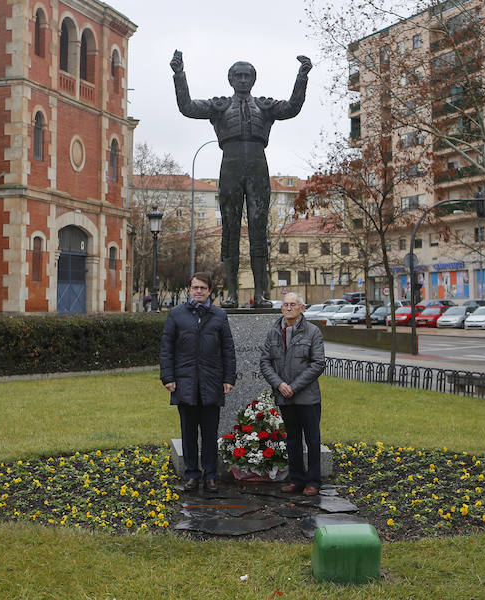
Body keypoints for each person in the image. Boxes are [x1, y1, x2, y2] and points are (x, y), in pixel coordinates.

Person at [171, 50, 312, 308]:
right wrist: (179, 74)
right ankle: (232, 294)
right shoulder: (220, 106)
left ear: (254, 80)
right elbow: (188, 107)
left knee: (259, 232)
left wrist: (302, 77)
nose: (243, 80)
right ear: (231, 79)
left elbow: (292, 108)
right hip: (231, 166)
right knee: (230, 231)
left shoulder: (265, 107)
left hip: (258, 165)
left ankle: (260, 294)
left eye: (248, 76)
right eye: (239, 76)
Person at [159, 272, 236, 492]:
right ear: (189, 289)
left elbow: (228, 349)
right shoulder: (176, 314)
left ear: (210, 291)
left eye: (203, 288)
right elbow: (167, 349)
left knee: (210, 435)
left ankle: (210, 476)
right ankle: (192, 475)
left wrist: (228, 378)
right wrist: (168, 377)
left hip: (212, 383)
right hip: (185, 383)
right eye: (195, 287)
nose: (199, 291)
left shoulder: (219, 316)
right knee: (189, 433)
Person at [259, 293, 326, 496]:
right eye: (285, 305)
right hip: (285, 397)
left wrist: (294, 387)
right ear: (281, 309)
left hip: (307, 397)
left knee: (312, 440)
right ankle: (296, 479)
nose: (289, 308)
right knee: (292, 439)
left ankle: (313, 481)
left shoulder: (313, 332)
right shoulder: (273, 332)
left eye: (293, 305)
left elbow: (318, 364)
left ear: (302, 308)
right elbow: (265, 362)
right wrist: (279, 385)